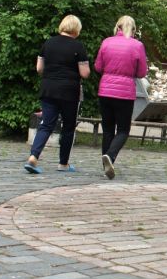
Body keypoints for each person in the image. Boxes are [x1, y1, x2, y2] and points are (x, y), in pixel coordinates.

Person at [25, 14, 90, 174]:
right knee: (68, 127)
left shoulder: (48, 43)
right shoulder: (78, 46)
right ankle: (63, 163)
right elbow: (84, 73)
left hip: (49, 88)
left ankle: (34, 156)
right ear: (77, 29)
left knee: (46, 124)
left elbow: (39, 68)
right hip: (69, 91)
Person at [94, 15, 150, 179]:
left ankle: (106, 167)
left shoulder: (106, 42)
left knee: (108, 130)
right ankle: (110, 156)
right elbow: (142, 72)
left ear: (117, 27)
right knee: (123, 130)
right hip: (125, 93)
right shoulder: (137, 45)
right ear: (133, 29)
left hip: (105, 91)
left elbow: (98, 66)